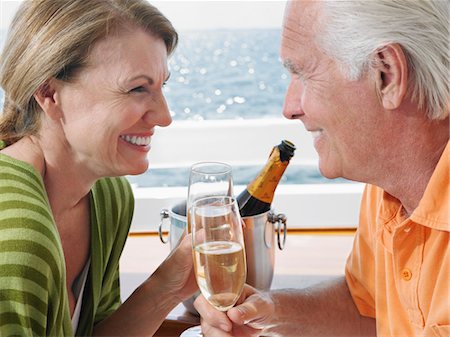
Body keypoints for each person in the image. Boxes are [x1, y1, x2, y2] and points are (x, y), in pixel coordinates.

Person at [194, 0, 449, 336]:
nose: (290, 108)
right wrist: (268, 312)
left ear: (387, 74)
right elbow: (366, 310)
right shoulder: (388, 187)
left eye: (302, 74)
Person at [0, 0, 197, 336]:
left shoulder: (108, 196)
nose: (164, 116)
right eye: (137, 88)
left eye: (161, 86)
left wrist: (169, 286)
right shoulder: (18, 235)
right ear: (49, 93)